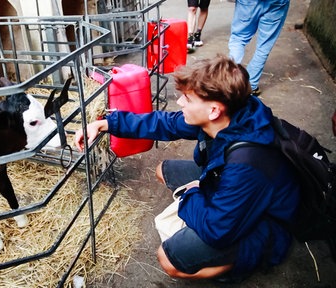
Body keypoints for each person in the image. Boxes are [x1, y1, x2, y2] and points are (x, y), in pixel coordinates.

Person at [74, 55, 300, 282]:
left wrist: (191, 193)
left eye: (187, 99)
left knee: (169, 260)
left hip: (265, 223)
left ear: (213, 110)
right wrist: (106, 124)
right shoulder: (230, 115)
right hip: (230, 186)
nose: (180, 102)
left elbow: (217, 230)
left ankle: (238, 261)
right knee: (163, 169)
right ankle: (204, 207)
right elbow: (164, 122)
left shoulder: (247, 163)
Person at [228, 0, 290, 96]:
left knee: (238, 39)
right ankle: (251, 86)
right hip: (276, 3)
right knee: (264, 46)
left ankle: (230, 82)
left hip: (248, 3)